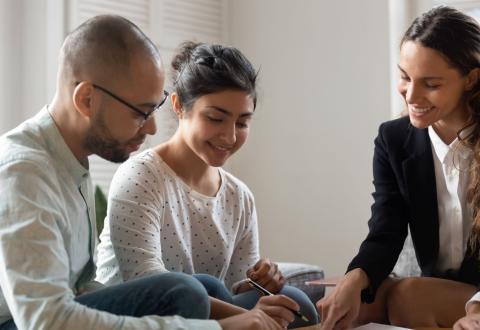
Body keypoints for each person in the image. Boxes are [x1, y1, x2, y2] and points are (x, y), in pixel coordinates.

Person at [0, 15, 295, 330]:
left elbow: (80, 291)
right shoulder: (24, 173)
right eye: (139, 112)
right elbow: (47, 321)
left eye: (154, 109)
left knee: (199, 290)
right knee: (186, 292)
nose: (153, 127)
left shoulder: (69, 161)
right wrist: (220, 327)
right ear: (86, 99)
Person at [94, 41, 318, 328]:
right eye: (215, 118)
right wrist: (246, 318)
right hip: (138, 318)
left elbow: (235, 289)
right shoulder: (140, 176)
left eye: (242, 123)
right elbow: (150, 282)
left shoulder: (239, 197)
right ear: (177, 105)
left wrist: (262, 282)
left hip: (201, 312)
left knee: (295, 303)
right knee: (199, 286)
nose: (229, 136)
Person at [318, 6, 480, 330]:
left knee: (409, 297)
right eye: (405, 77)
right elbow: (386, 229)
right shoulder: (393, 139)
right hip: (442, 287)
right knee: (347, 304)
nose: (412, 95)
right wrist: (356, 277)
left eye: (431, 84)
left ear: (471, 79)